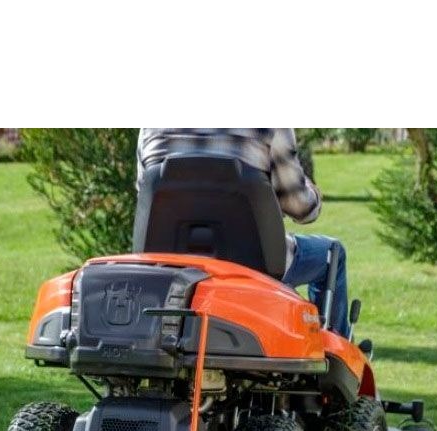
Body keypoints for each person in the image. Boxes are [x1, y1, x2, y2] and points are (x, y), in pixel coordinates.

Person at [136, 128, 351, 338]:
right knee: (332, 254)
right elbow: (301, 207)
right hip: (255, 263)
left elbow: (145, 192)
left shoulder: (150, 128)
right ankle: (333, 349)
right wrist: (311, 193)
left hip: (169, 265)